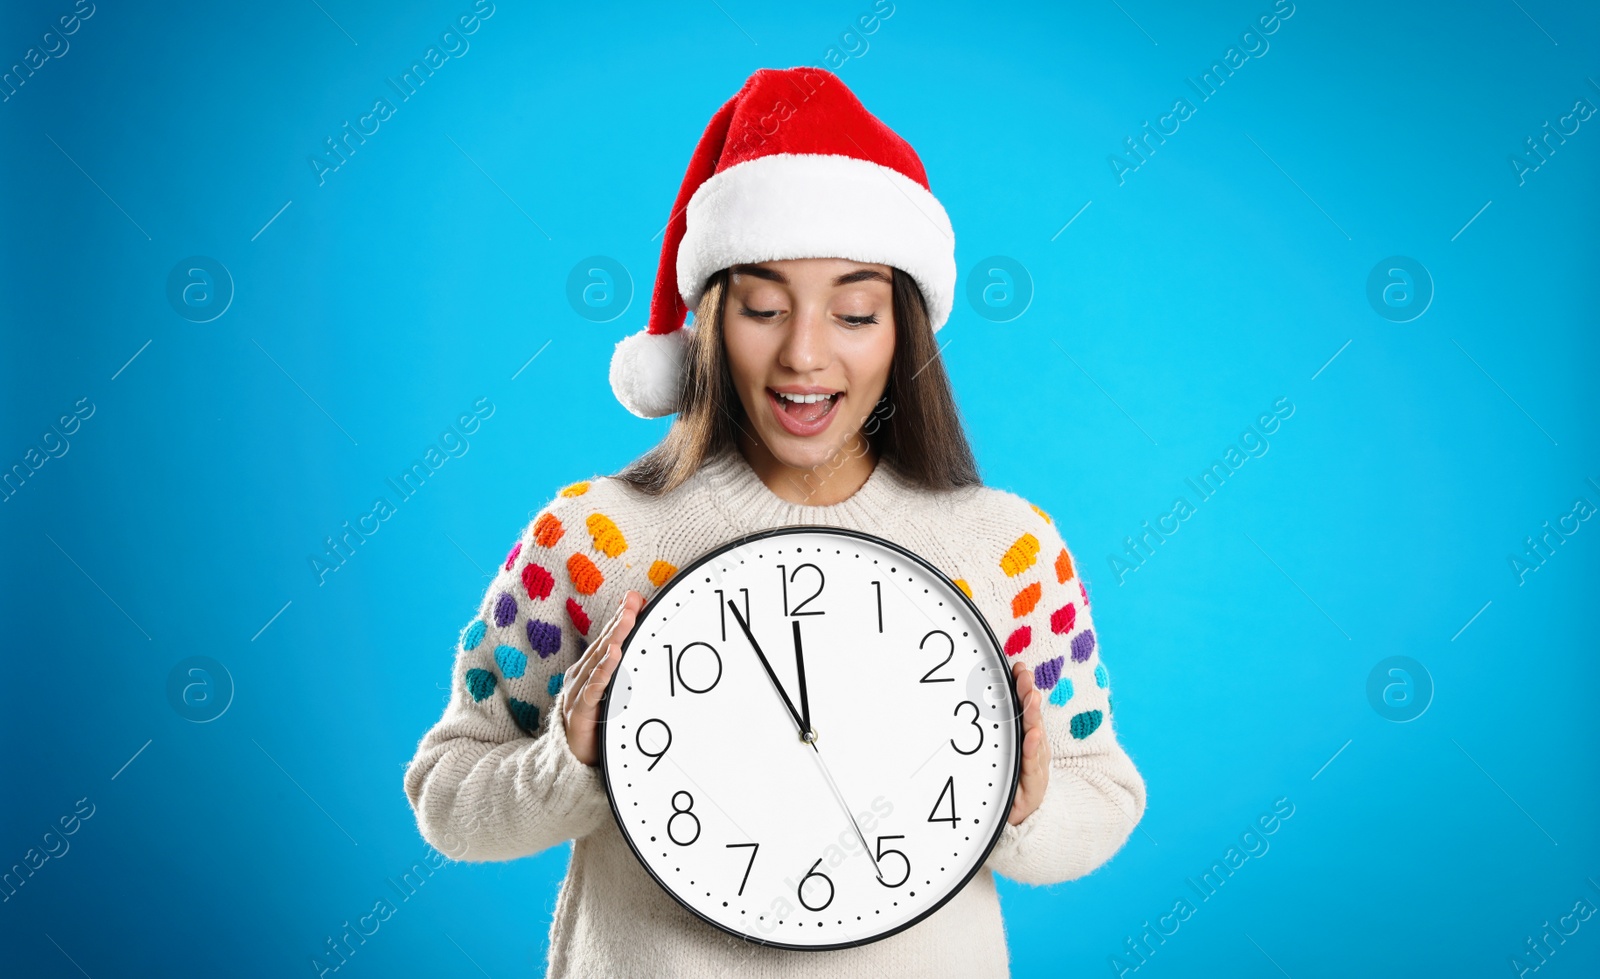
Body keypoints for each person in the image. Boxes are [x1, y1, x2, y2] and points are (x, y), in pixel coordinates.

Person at [404, 66, 1147, 978]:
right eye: (762, 306)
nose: (804, 351)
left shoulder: (1008, 548)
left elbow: (1101, 790)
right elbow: (448, 790)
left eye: (854, 310)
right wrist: (570, 757)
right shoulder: (594, 539)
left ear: (902, 329)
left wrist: (1025, 805)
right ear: (711, 320)